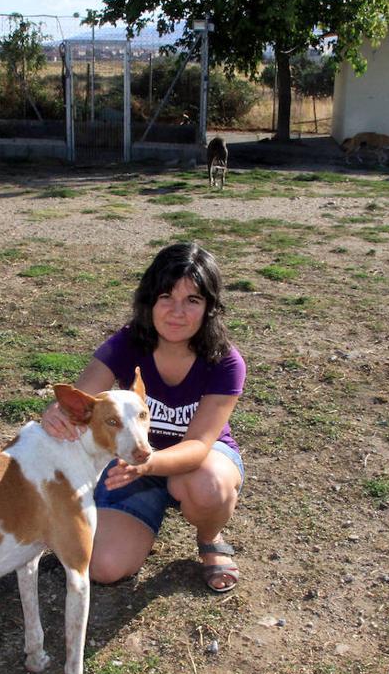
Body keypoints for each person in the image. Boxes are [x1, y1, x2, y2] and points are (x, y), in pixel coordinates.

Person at [41, 242, 245, 592]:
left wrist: (148, 464)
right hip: (129, 463)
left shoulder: (225, 362)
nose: (177, 312)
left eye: (192, 300)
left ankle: (210, 537)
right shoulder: (126, 344)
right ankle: (139, 521)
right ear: (149, 301)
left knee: (207, 485)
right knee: (104, 567)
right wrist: (57, 414)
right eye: (166, 297)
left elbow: (197, 445)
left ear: (210, 307)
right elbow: (82, 401)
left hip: (197, 463)